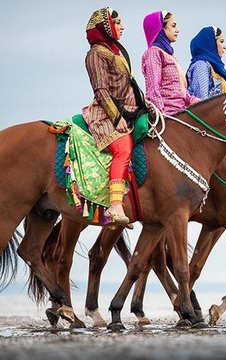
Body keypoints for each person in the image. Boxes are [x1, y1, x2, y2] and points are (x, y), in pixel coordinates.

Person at [83, 7, 139, 225]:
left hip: (129, 111)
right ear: (105, 27)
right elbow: (101, 91)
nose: (122, 26)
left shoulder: (116, 50)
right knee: (123, 147)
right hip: (106, 114)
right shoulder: (96, 53)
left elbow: (128, 85)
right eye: (117, 22)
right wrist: (117, 118)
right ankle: (115, 206)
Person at [141, 11, 198, 114]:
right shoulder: (154, 52)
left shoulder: (171, 56)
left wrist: (201, 104)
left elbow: (181, 91)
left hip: (181, 112)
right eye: (173, 26)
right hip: (168, 115)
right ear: (161, 29)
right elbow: (153, 89)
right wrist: (162, 116)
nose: (177, 30)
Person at [187, 26, 226, 100]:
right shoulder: (201, 65)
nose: (224, 46)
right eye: (221, 41)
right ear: (211, 43)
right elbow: (201, 100)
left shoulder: (216, 69)